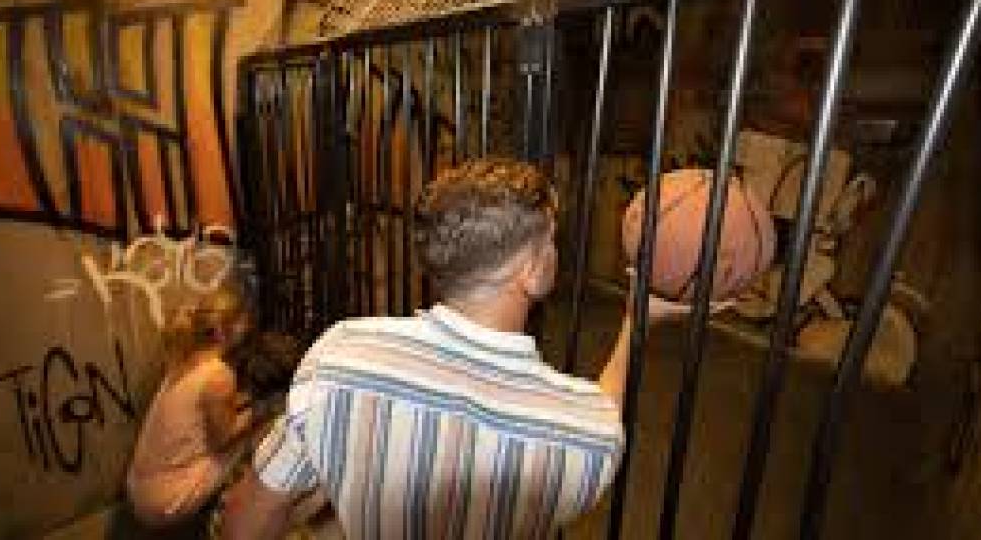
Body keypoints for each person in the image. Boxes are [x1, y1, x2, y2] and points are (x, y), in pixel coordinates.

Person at [222, 157, 688, 539]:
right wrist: (635, 323)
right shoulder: (583, 432)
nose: (555, 252)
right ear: (530, 271)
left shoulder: (340, 357)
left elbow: (244, 522)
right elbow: (600, 412)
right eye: (549, 241)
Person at [127, 284, 274, 533]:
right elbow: (222, 439)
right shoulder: (218, 374)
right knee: (264, 432)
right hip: (166, 499)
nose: (247, 329)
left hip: (139, 490)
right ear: (225, 330)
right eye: (242, 323)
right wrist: (260, 410)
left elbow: (203, 412)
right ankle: (238, 524)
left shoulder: (183, 360)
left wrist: (243, 404)